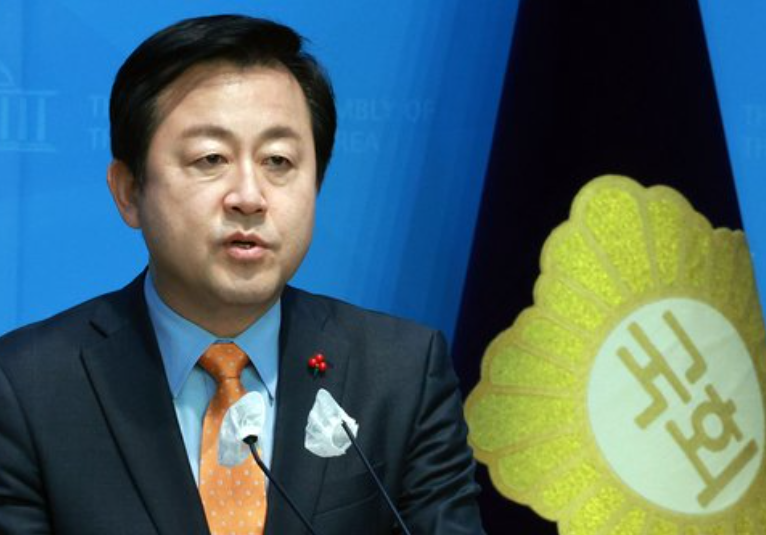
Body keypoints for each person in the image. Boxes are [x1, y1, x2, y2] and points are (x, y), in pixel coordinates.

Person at [0, 14, 484, 535]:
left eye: (278, 161)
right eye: (211, 158)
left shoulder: (401, 373)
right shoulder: (27, 388)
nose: (250, 197)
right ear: (129, 191)